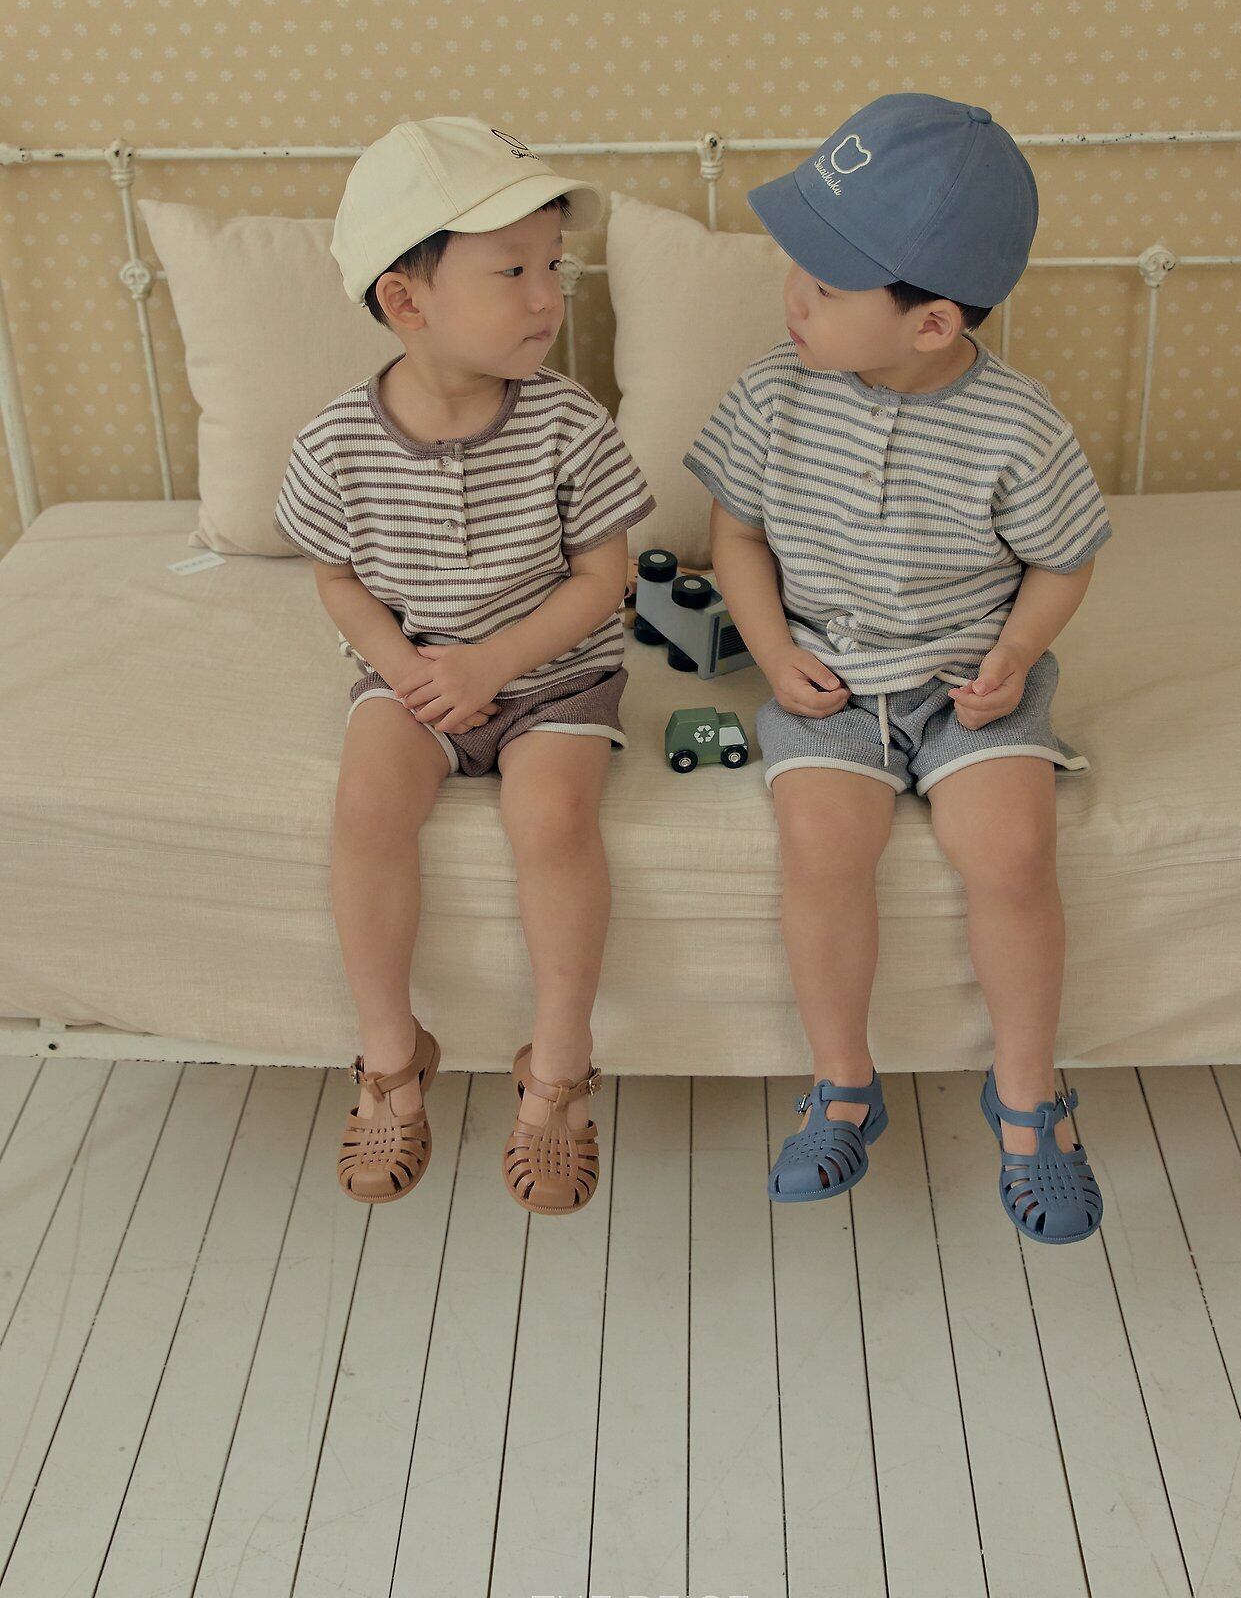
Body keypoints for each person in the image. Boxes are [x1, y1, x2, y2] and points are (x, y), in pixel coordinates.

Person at [683, 93, 1110, 1244]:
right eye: (798, 270)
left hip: (969, 680)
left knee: (1009, 849)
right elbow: (734, 535)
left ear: (929, 324)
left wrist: (1014, 655)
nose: (793, 298)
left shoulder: (1016, 426)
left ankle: (1028, 1096)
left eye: (824, 287)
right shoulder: (771, 392)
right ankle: (841, 1083)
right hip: (827, 679)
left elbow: (1062, 560)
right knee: (822, 847)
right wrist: (773, 651)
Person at [275, 117, 655, 1215]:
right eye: (512, 271)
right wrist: (401, 664)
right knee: (366, 807)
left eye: (554, 267)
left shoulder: (568, 424)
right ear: (407, 301)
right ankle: (392, 1057)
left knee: (553, 817)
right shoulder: (336, 443)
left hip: (553, 674)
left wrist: (494, 661)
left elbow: (603, 578)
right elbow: (337, 578)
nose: (547, 297)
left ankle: (558, 1065)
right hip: (415, 675)